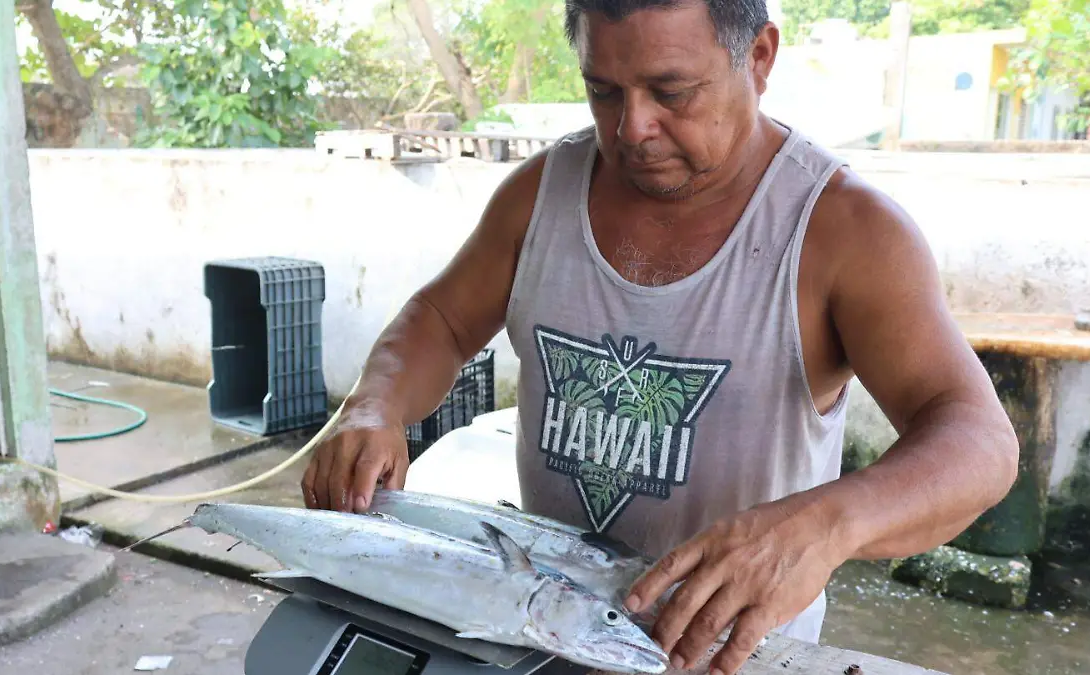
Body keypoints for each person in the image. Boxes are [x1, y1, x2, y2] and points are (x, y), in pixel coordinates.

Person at [302, 1, 1020, 673]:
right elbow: (442, 318)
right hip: (542, 633)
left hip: (732, 654)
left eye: (671, 93)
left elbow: (978, 442)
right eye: (604, 91)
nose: (631, 130)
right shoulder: (540, 197)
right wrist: (376, 405)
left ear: (760, 57)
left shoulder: (842, 231)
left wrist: (826, 527)